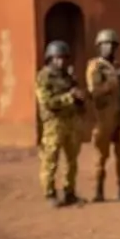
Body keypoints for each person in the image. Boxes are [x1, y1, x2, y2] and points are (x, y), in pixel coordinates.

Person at [35, 41, 87, 207]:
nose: (61, 62)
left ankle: (69, 192)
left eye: (64, 58)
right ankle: (49, 193)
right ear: (50, 58)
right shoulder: (44, 77)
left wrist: (80, 98)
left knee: (72, 160)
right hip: (53, 123)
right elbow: (48, 101)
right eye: (57, 58)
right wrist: (70, 97)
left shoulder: (68, 76)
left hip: (71, 122)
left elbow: (78, 98)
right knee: (51, 159)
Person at [85, 29, 120, 201]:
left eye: (112, 44)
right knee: (101, 156)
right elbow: (94, 91)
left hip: (119, 114)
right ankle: (98, 191)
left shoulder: (118, 66)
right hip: (102, 116)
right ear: (99, 46)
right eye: (105, 44)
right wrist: (114, 81)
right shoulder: (95, 66)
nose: (109, 47)